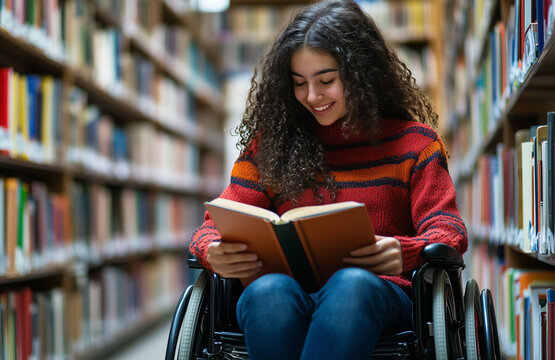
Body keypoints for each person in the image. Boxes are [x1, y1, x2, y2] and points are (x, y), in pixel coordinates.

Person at [190, 1, 467, 359]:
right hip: (284, 295)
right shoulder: (268, 149)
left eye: (326, 81)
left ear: (361, 74)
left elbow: (448, 230)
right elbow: (211, 227)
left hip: (378, 295)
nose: (312, 96)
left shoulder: (417, 144)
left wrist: (403, 251)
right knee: (266, 292)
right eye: (299, 83)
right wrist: (213, 251)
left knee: (350, 285)